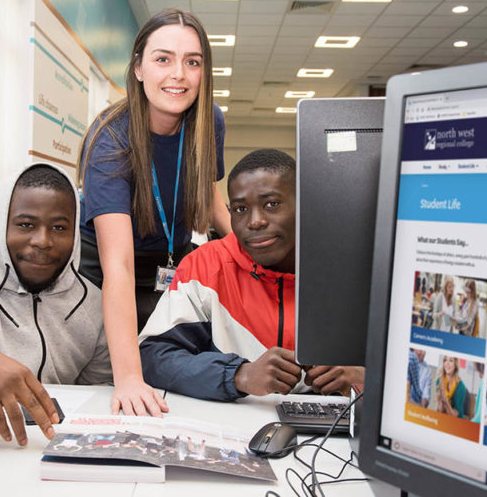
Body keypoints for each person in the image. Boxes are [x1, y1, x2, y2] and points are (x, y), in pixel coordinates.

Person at [77, 8, 232, 416]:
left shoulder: (209, 121)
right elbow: (119, 265)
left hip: (169, 262)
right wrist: (128, 378)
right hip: (107, 268)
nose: (178, 74)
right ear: (139, 69)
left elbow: (209, 193)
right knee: (129, 376)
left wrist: (248, 247)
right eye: (163, 59)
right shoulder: (109, 138)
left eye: (192, 62)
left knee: (181, 367)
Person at [138, 149, 364, 401]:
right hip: (231, 428)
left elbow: (407, 363)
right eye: (240, 208)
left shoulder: (352, 270)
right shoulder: (206, 265)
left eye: (272, 204)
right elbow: (153, 356)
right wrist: (239, 375)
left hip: (331, 434)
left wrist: (366, 376)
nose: (255, 221)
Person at [0, 163, 112, 445]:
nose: (43, 241)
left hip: (52, 447)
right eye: (26, 225)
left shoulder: (95, 306)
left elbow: (100, 399)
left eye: (59, 228)